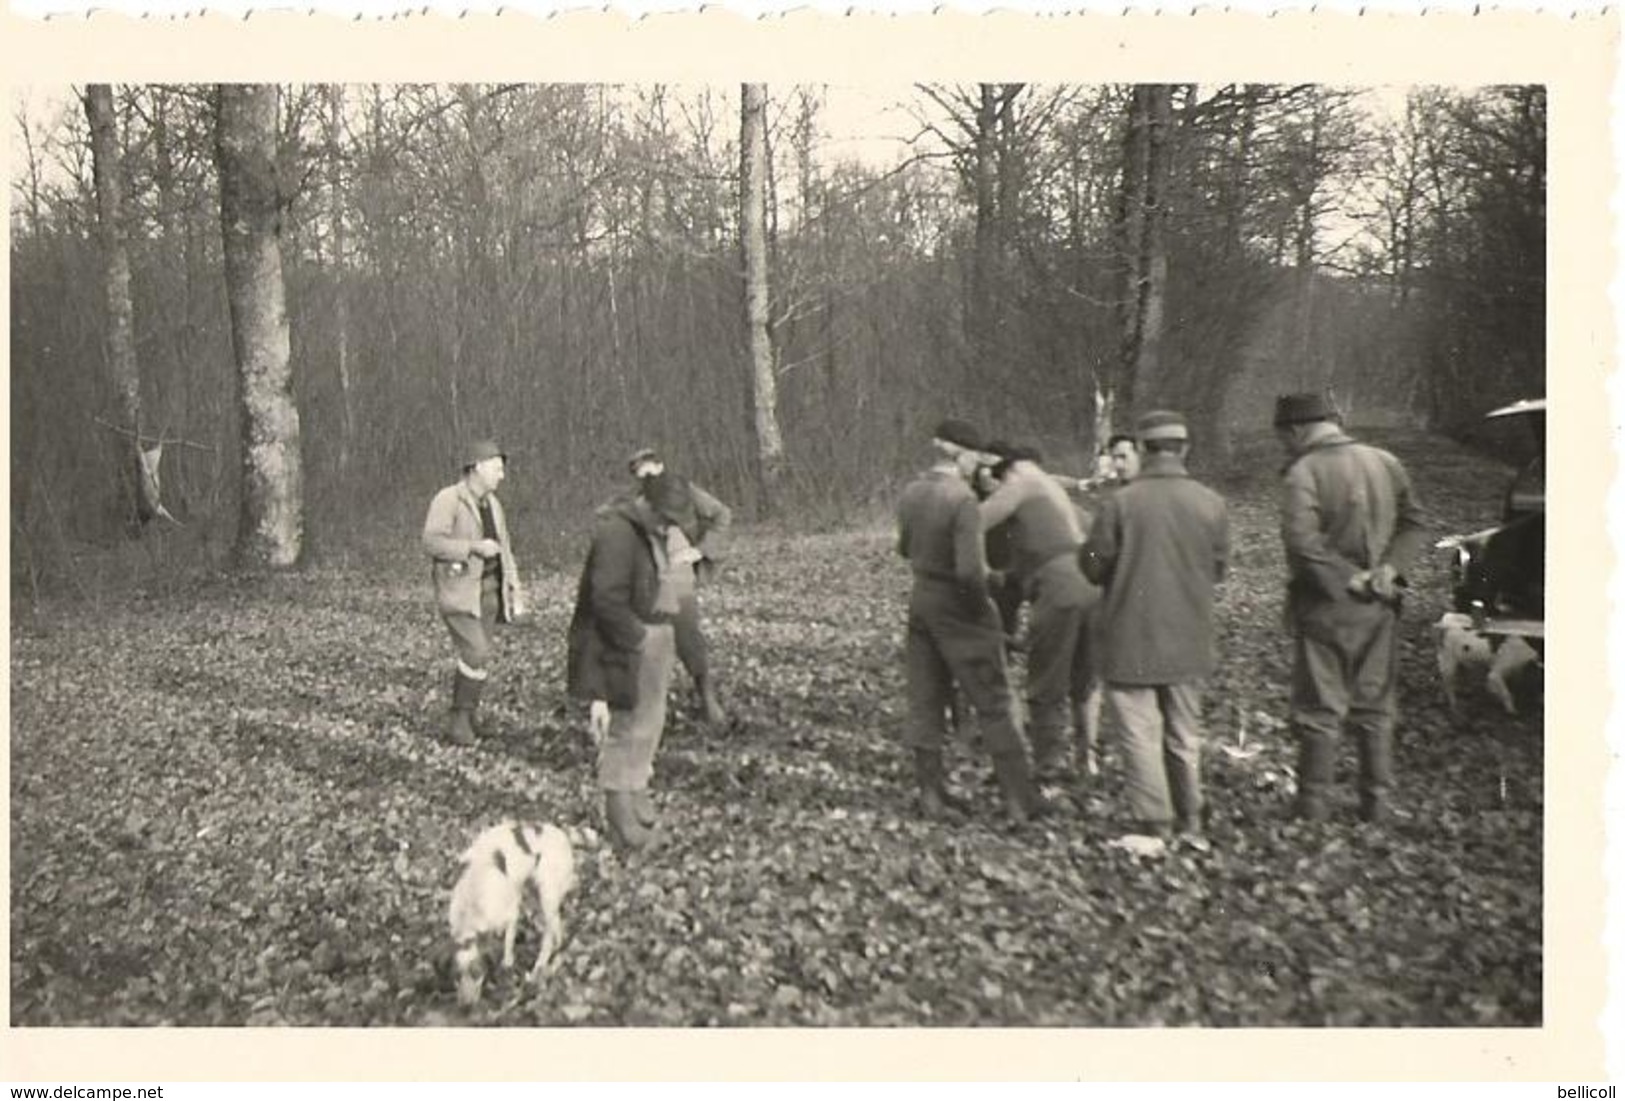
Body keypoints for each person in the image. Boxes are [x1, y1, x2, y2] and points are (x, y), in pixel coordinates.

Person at [1274, 392, 1427, 824]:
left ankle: (1312, 805)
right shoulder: (1384, 461)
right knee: (1375, 704)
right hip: (1380, 605)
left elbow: (1302, 544)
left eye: (1283, 437)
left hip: (1325, 605)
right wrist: (1391, 570)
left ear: (1295, 430)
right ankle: (1376, 803)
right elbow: (1414, 521)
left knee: (1320, 705)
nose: (1284, 446)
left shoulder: (1303, 470)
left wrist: (1347, 578)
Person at [1079, 411, 1228, 841]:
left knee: (1140, 733)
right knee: (1184, 734)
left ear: (1144, 450)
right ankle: (1192, 818)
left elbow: (1092, 567)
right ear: (1185, 449)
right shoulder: (1210, 502)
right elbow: (1218, 568)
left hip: (1130, 636)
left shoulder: (1121, 503)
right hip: (1189, 637)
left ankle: (1155, 821)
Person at [897, 419, 1046, 824]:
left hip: (921, 601)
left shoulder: (911, 492)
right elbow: (969, 572)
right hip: (959, 607)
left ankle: (931, 795)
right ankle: (1019, 801)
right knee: (994, 700)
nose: (976, 467)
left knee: (925, 700)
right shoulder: (961, 499)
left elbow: (905, 550)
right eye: (973, 458)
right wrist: (989, 610)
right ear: (960, 454)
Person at [566, 475, 695, 851]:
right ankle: (620, 818)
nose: (669, 526)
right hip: (620, 643)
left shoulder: (645, 528)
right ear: (646, 504)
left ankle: (636, 792)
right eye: (665, 518)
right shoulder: (617, 533)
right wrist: (638, 638)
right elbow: (606, 598)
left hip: (652, 632)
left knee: (651, 721)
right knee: (627, 728)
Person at [977, 442, 1100, 782]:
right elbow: (1063, 547)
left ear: (1010, 470)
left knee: (1045, 681)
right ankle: (1085, 759)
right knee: (1083, 681)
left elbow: (973, 521)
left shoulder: (1022, 484)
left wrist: (980, 568)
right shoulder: (1059, 497)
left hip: (1058, 589)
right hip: (1092, 586)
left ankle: (1048, 767)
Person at [422, 439, 524, 746]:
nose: (501, 475)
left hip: (490, 592)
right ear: (477, 467)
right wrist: (472, 548)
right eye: (497, 468)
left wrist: (514, 587)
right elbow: (431, 542)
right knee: (476, 651)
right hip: (459, 592)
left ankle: (467, 718)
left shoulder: (493, 504)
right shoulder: (448, 499)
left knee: (480, 656)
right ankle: (458, 720)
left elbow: (505, 547)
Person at [627, 448, 733, 729]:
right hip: (649, 578)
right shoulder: (637, 503)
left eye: (648, 468)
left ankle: (708, 699)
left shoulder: (685, 490)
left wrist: (700, 551)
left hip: (679, 574)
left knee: (687, 635)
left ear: (661, 465)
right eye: (638, 471)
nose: (644, 474)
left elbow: (722, 515)